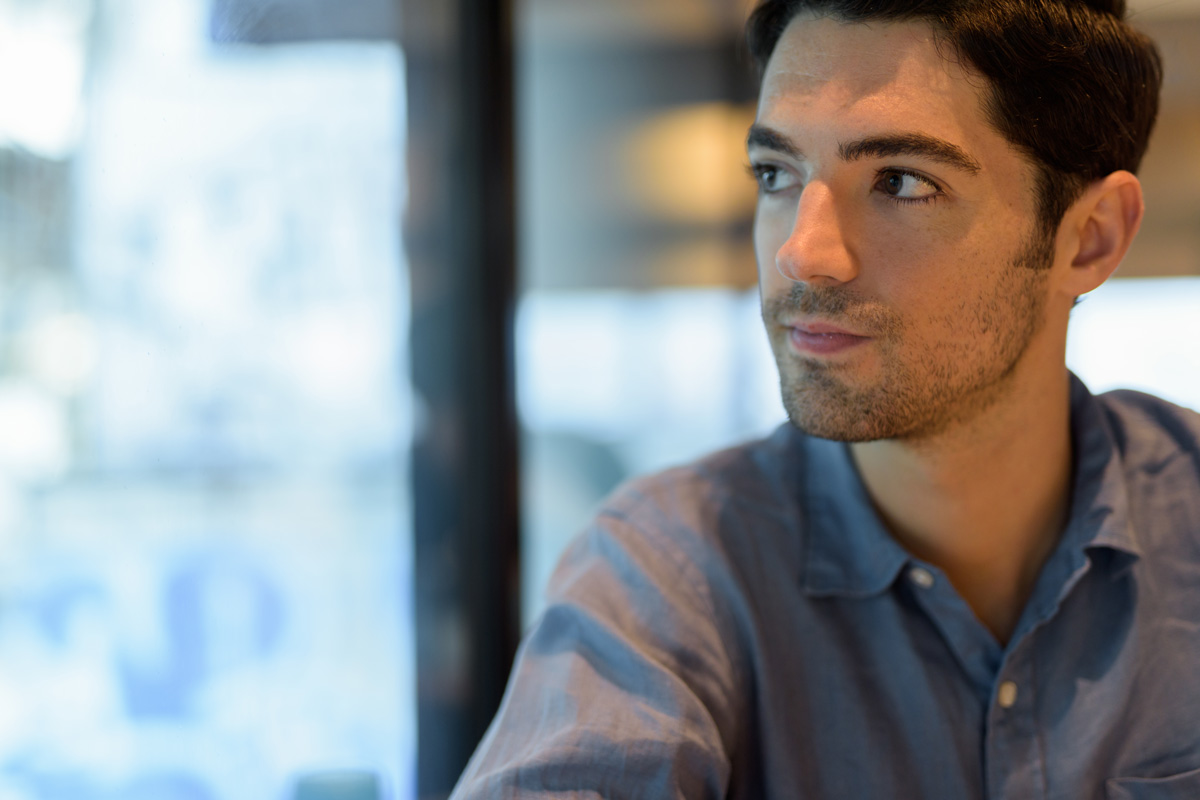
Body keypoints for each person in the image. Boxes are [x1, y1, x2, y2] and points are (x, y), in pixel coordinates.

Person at [453, 1, 1200, 797]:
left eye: (902, 182)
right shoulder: (669, 572)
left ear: (1089, 238)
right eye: (776, 174)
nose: (802, 254)